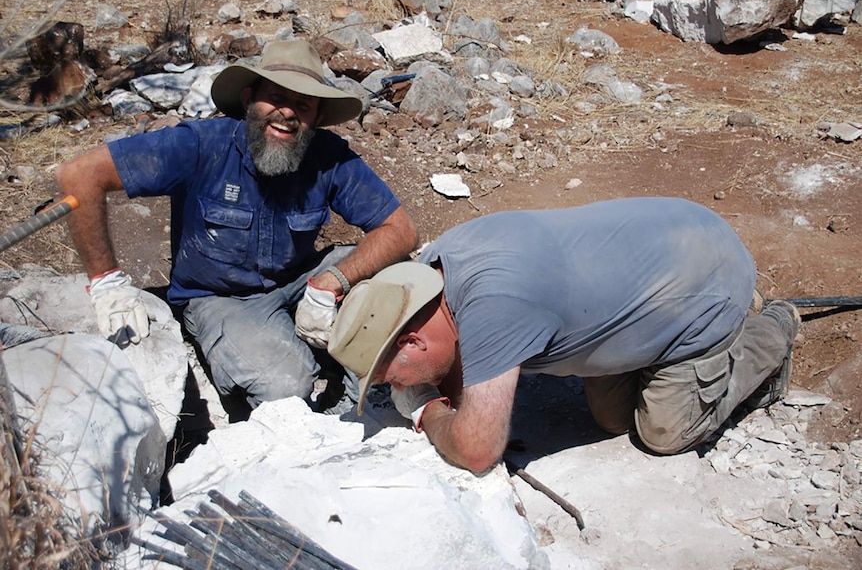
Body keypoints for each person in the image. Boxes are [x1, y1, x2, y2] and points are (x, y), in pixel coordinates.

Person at [55, 39, 418, 416]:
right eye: (276, 97)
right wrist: (106, 282)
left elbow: (401, 229)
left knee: (398, 272)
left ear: (316, 117)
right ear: (248, 100)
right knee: (287, 389)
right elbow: (79, 175)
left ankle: (390, 387)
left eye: (303, 104)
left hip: (299, 281)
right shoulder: (200, 145)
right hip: (221, 299)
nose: (288, 113)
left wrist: (333, 282)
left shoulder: (327, 156)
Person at [327, 197, 801, 473]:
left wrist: (428, 410)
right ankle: (666, 338)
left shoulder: (496, 308)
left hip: (705, 274)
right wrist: (438, 391)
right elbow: (458, 364)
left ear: (412, 341)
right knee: (614, 421)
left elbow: (476, 451)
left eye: (394, 377)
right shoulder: (440, 270)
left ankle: (768, 329)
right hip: (657, 257)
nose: (400, 387)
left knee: (662, 433)